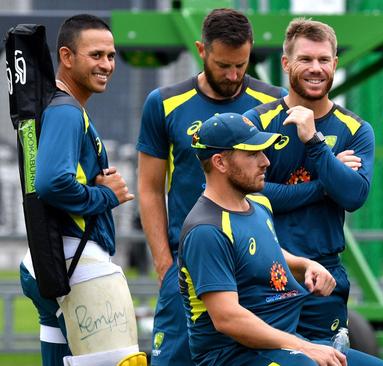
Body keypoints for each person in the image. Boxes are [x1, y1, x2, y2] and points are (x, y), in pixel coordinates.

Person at [178, 112, 383, 366]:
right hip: (235, 355)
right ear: (220, 162)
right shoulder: (207, 230)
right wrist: (305, 347)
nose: (265, 161)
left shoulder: (258, 204)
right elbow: (228, 318)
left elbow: (264, 253)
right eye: (253, 153)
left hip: (281, 344)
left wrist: (304, 265)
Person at [136, 8, 286, 365]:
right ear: (201, 51)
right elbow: (150, 189)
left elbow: (281, 178)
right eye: (223, 66)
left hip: (254, 268)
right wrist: (164, 266)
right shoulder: (164, 103)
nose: (234, 75)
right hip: (186, 269)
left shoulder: (273, 102)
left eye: (242, 64)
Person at [19, 14, 145, 366]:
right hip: (79, 265)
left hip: (51, 261)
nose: (107, 64)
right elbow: (51, 182)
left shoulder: (58, 108)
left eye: (111, 55)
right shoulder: (66, 112)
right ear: (67, 57)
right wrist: (108, 195)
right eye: (96, 55)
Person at [244, 18, 375, 341]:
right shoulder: (256, 122)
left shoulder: (355, 130)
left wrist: (315, 143)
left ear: (335, 64)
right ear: (286, 63)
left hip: (325, 275)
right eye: (305, 59)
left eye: (323, 60)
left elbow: (354, 196)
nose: (316, 68)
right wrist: (325, 182)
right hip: (266, 269)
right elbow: (251, 195)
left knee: (327, 358)